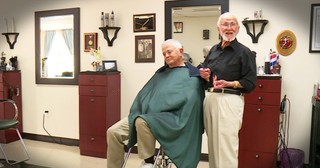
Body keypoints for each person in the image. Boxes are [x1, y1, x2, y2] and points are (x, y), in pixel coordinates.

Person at [107, 39, 205, 168]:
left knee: (141, 121)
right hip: (146, 114)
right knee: (113, 132)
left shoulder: (192, 75)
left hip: (172, 119)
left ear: (181, 51)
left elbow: (191, 104)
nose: (166, 56)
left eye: (169, 52)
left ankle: (148, 162)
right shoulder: (161, 73)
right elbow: (145, 95)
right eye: (164, 54)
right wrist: (143, 109)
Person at [199, 12, 257, 168]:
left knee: (226, 148)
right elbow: (204, 70)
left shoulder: (244, 52)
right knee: (213, 145)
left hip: (229, 101)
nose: (229, 28)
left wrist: (230, 84)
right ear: (218, 28)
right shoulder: (213, 50)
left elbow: (250, 82)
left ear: (238, 28)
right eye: (225, 24)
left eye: (232, 24)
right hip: (210, 99)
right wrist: (203, 73)